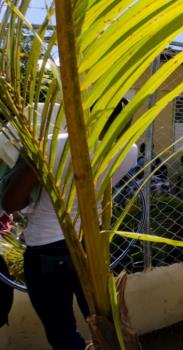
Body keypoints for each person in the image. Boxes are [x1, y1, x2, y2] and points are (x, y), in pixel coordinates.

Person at [2, 99, 138, 350]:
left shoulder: (54, 145)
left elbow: (11, 202)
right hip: (91, 246)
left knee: (62, 331)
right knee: (104, 323)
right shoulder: (129, 151)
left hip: (47, 248)